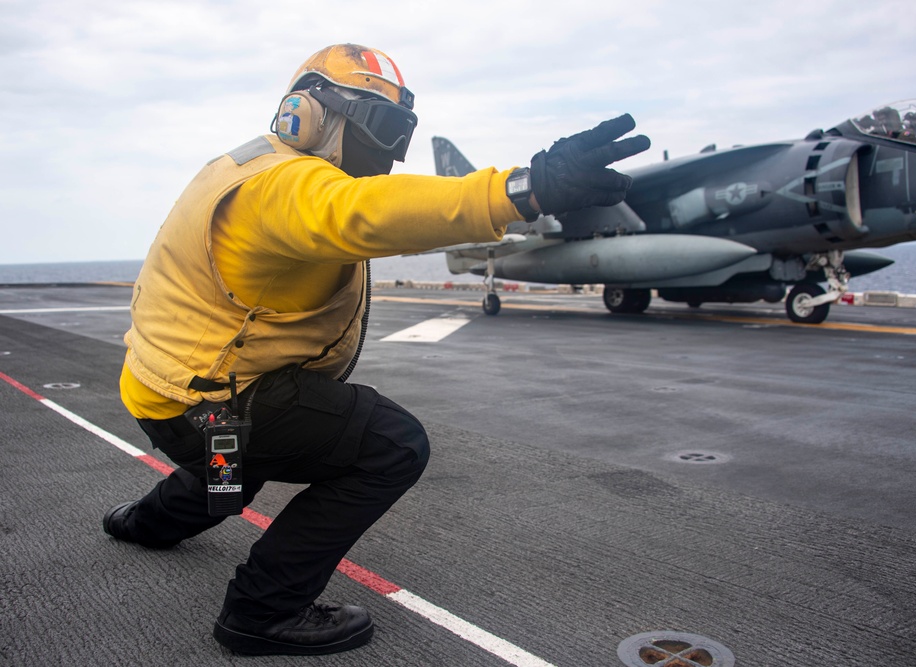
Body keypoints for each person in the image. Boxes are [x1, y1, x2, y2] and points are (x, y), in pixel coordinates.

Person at [102, 43, 649, 657]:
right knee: (392, 446)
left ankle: (145, 524)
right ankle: (262, 610)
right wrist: (523, 191)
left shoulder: (239, 167)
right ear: (309, 113)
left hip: (172, 397)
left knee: (240, 462)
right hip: (217, 402)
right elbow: (361, 214)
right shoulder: (284, 185)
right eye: (378, 127)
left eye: (399, 134)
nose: (386, 151)